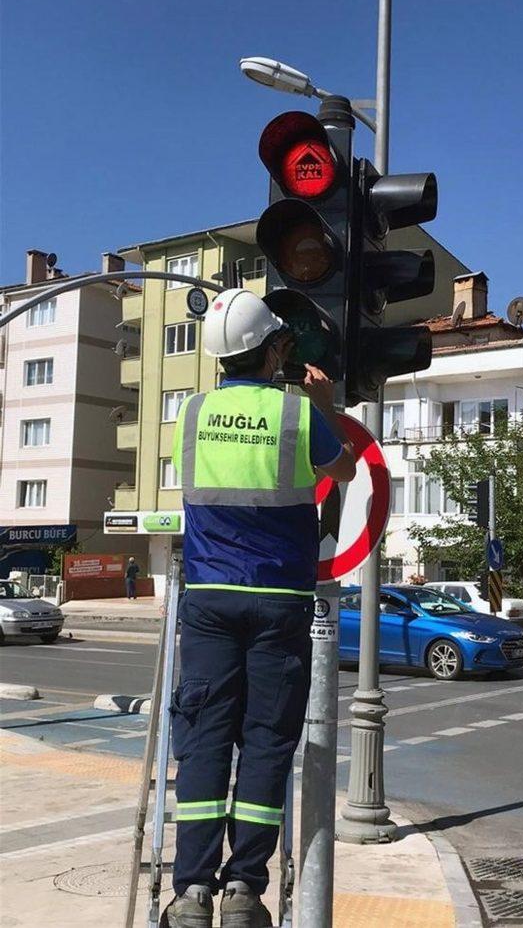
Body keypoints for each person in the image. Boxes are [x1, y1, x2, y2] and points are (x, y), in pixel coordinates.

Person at [162, 289, 355, 928]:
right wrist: (322, 401)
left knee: (205, 740)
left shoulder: (190, 414)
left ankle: (190, 891)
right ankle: (245, 887)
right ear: (272, 349)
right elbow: (345, 470)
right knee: (267, 742)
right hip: (281, 600)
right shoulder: (298, 415)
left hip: (209, 598)